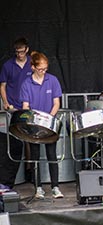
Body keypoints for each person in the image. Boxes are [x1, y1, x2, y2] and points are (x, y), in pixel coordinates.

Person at [19, 51, 64, 199]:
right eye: (40, 69)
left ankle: (55, 187)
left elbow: (56, 103)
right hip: (34, 125)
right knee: (35, 157)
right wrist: (32, 120)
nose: (43, 71)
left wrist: (49, 120)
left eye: (45, 68)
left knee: (52, 156)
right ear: (32, 67)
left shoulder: (52, 80)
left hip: (48, 124)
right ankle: (38, 187)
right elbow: (25, 106)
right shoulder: (26, 84)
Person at [0, 37, 32, 189]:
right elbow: (3, 86)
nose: (19, 54)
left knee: (30, 138)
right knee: (15, 139)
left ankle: (30, 170)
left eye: (21, 51)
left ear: (26, 49)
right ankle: (15, 176)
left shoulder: (32, 62)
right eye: (17, 52)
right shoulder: (8, 65)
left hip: (28, 106)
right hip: (13, 107)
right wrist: (5, 103)